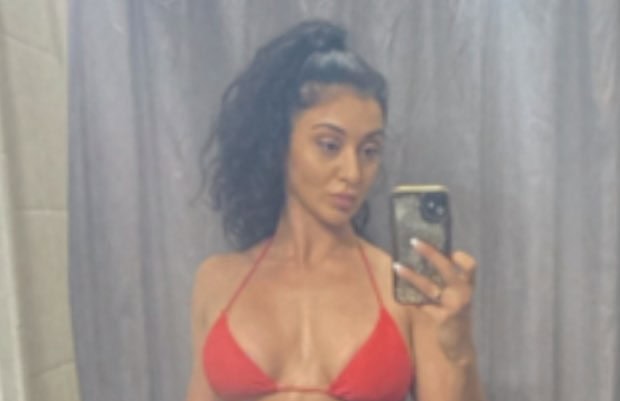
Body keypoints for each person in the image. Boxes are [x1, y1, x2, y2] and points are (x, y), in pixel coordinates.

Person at [186, 19, 486, 401]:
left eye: (369, 151)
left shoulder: (405, 287)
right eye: (329, 145)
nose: (353, 173)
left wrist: (459, 351)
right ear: (279, 143)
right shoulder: (218, 281)